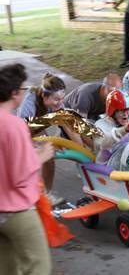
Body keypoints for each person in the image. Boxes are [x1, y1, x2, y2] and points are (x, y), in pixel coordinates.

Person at [0, 63, 54, 275]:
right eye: (22, 89)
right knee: (38, 266)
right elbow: (20, 176)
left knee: (8, 267)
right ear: (14, 93)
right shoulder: (14, 125)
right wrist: (41, 156)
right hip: (16, 210)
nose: (24, 93)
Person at [17, 73, 79, 205]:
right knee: (30, 162)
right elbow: (23, 131)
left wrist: (81, 151)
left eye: (62, 99)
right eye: (56, 99)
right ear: (44, 96)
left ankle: (46, 193)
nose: (60, 103)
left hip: (38, 127)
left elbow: (69, 129)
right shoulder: (29, 103)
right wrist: (34, 147)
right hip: (22, 131)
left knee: (49, 158)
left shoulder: (57, 105)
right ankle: (24, 195)